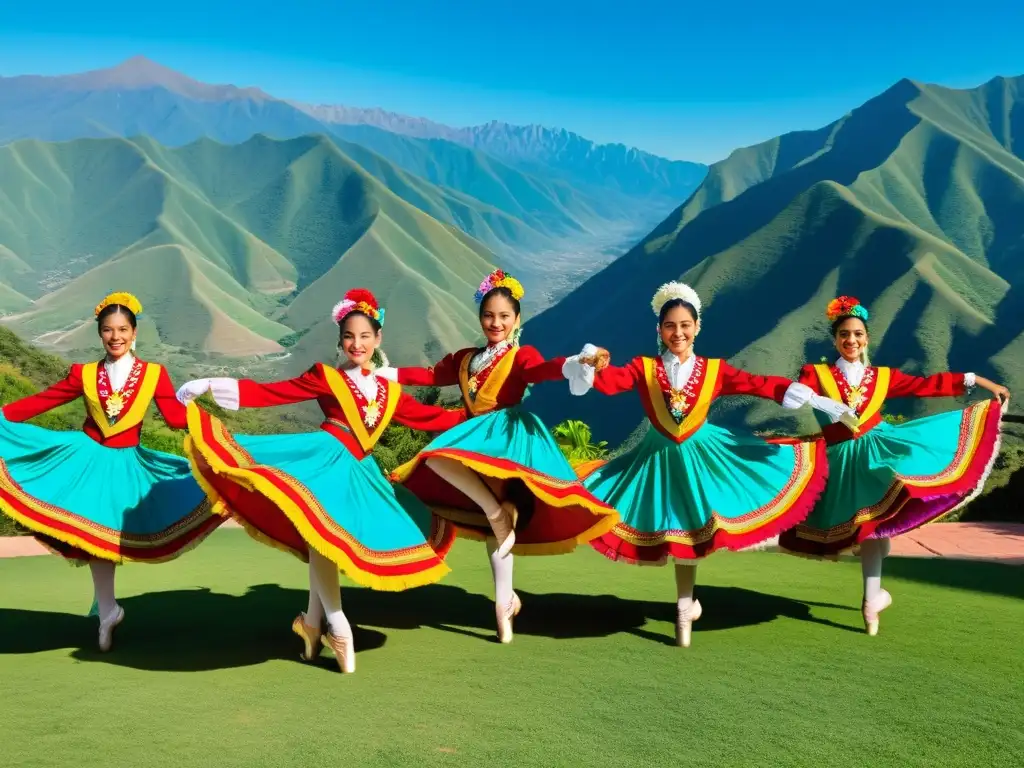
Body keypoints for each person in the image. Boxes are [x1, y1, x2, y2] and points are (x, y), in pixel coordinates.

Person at [176, 289, 467, 673]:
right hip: (323, 462)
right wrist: (212, 385)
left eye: (365, 336)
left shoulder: (388, 391)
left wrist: (479, 414)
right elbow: (272, 393)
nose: (357, 344)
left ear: (378, 339)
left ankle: (318, 626)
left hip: (357, 473)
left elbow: (431, 419)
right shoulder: (327, 377)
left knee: (323, 542)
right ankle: (333, 624)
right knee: (323, 541)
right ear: (340, 341)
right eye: (349, 336)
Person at [563, 281, 849, 647]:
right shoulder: (644, 367)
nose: (678, 332)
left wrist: (809, 397)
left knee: (692, 526)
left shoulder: (714, 370)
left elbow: (756, 384)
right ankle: (685, 606)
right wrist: (590, 361)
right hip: (656, 457)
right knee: (678, 526)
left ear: (697, 327)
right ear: (659, 330)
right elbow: (610, 381)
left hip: (701, 454)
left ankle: (684, 605)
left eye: (685, 325)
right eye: (670, 326)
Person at [380, 269, 618, 643]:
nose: (496, 323)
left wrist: (576, 363)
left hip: (505, 439)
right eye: (489, 316)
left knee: (468, 490)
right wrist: (383, 372)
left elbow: (542, 370)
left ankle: (502, 602)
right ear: (480, 318)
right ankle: (503, 592)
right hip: (474, 437)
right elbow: (429, 375)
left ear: (517, 319)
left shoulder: (520, 356)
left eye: (504, 316)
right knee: (445, 467)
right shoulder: (465, 359)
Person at [0, 292, 224, 651]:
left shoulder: (153, 374)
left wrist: (217, 434)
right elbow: (43, 401)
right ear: (100, 334)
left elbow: (174, 417)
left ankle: (105, 607)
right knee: (93, 533)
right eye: (108, 330)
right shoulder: (85, 374)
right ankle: (106, 609)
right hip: (87, 460)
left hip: (127, 464)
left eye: (122, 329)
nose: (115, 336)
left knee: (107, 534)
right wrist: (4, 417)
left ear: (134, 333)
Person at [777, 296, 1008, 635]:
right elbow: (796, 394)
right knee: (873, 530)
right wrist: (823, 402)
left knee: (874, 526)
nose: (851, 340)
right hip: (842, 460)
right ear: (834, 339)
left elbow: (929, 385)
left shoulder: (882, 376)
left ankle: (872, 599)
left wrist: (981, 382)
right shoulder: (816, 373)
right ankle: (872, 598)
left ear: (866, 338)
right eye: (844, 334)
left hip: (878, 450)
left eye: (857, 334)